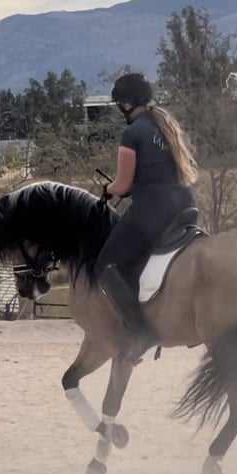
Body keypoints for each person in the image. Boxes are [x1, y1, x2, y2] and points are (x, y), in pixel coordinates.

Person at [95, 72, 199, 365]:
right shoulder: (166, 124)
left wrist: (108, 189)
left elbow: (123, 185)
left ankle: (141, 332)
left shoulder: (133, 133)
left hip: (153, 211)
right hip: (185, 204)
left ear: (125, 104)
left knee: (107, 264)